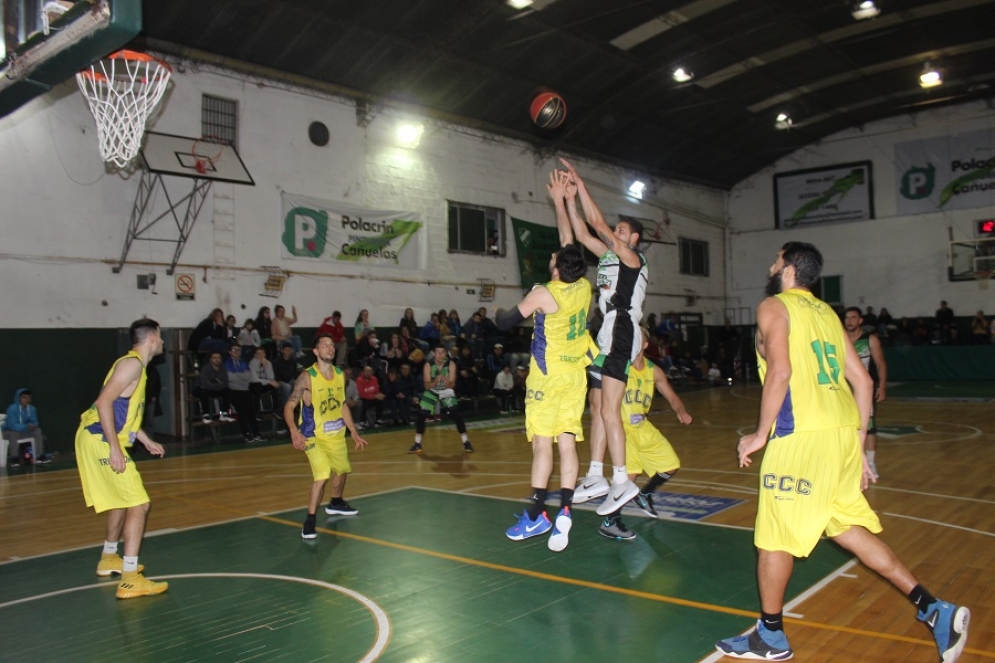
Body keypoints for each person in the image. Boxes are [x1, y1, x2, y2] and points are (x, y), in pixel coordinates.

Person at [714, 242, 969, 662]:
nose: (771, 264)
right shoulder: (828, 314)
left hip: (800, 438)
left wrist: (760, 433)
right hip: (840, 434)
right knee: (847, 530)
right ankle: (934, 609)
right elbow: (863, 383)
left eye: (776, 259)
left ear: (790, 269)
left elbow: (781, 369)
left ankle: (770, 636)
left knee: (774, 538)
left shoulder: (774, 306)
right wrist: (856, 450)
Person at [498, 169, 593, 552]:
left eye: (554, 256)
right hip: (575, 376)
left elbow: (506, 322)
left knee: (542, 446)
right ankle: (566, 510)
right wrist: (560, 201)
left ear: (555, 268)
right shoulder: (583, 286)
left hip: (546, 377)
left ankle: (537, 516)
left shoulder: (544, 293)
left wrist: (497, 314)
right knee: (567, 444)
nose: (555, 252)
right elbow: (569, 242)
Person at [560, 158, 647, 515]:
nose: (616, 232)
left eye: (622, 230)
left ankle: (622, 480)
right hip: (607, 330)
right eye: (617, 230)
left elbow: (595, 223)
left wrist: (580, 183)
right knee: (596, 408)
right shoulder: (609, 257)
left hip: (623, 328)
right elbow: (583, 235)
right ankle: (595, 474)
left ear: (634, 238)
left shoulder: (631, 258)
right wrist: (567, 199)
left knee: (610, 410)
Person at [74, 318, 168, 599]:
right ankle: (129, 579)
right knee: (139, 504)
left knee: (120, 500)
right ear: (152, 338)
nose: (162, 342)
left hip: (96, 437)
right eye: (161, 337)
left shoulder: (133, 366)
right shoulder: (132, 365)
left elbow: (119, 410)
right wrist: (115, 447)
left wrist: (145, 438)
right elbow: (103, 402)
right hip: (100, 439)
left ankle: (109, 557)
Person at [602, 328, 692, 540]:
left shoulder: (654, 370)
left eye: (637, 339)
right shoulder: (619, 367)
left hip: (643, 427)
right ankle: (610, 521)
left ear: (644, 345)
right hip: (622, 429)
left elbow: (671, 396)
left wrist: (681, 411)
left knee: (671, 465)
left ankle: (645, 494)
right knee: (628, 477)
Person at [283, 334, 368, 539]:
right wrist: (294, 430)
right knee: (322, 475)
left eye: (332, 344)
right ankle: (310, 520)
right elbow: (290, 405)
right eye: (325, 345)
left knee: (343, 468)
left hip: (336, 433)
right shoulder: (307, 376)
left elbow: (341, 405)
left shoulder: (340, 374)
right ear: (316, 351)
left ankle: (336, 502)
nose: (330, 347)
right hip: (313, 435)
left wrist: (354, 432)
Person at [844, 306, 888, 480]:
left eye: (853, 318)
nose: (849, 321)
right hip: (844, 389)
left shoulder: (870, 340)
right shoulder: (840, 339)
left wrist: (882, 387)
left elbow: (880, 364)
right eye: (847, 318)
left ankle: (870, 463)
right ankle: (850, 463)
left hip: (864, 390)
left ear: (860, 320)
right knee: (845, 427)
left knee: (868, 427)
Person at [408, 346, 473, 454]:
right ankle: (417, 443)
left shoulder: (451, 364)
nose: (440, 354)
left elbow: (452, 384)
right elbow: (426, 386)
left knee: (455, 413)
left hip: (446, 390)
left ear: (445, 354)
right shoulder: (428, 365)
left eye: (442, 352)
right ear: (434, 354)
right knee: (421, 414)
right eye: (438, 352)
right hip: (432, 390)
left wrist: (448, 383)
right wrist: (435, 381)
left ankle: (466, 442)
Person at [224, 344, 263, 443]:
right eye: (234, 349)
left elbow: (249, 376)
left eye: (239, 350)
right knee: (241, 412)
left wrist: (237, 374)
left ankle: (257, 433)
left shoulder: (243, 362)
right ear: (229, 352)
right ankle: (246, 433)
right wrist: (241, 375)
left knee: (251, 412)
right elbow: (229, 377)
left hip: (245, 390)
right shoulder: (227, 363)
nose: (237, 352)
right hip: (234, 390)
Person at [3, 388, 50, 464]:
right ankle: (14, 458)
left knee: (38, 431)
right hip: (8, 432)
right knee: (14, 433)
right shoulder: (11, 409)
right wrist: (26, 427)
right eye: (24, 397)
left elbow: (35, 422)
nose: (27, 400)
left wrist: (33, 426)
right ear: (18, 398)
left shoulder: (32, 409)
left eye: (28, 397)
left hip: (25, 431)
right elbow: (12, 425)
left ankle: (39, 456)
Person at [193, 351, 235, 423]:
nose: (217, 359)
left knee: (228, 391)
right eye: (215, 358)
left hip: (215, 389)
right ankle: (205, 414)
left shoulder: (223, 368)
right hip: (200, 389)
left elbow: (226, 382)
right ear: (210, 359)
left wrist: (214, 384)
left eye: (219, 358)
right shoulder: (206, 368)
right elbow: (204, 384)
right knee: (204, 392)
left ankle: (224, 413)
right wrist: (218, 384)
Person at [272, 341, 300, 415]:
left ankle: (294, 405)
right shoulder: (277, 361)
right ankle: (285, 408)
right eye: (286, 350)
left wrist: (295, 380)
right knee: (287, 387)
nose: (288, 352)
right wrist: (278, 381)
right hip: (280, 381)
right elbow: (274, 373)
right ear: (282, 350)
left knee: (298, 385)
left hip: (290, 380)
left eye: (289, 350)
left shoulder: (293, 361)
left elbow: (294, 373)